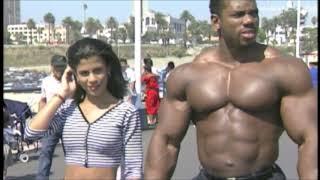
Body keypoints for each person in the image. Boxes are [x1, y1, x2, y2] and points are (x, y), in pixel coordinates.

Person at [144, 0, 317, 180]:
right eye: (239, 14)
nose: (249, 20)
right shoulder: (189, 75)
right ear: (216, 21)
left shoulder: (285, 70)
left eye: (254, 13)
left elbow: (309, 138)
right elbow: (166, 142)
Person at [25, 38, 143, 180]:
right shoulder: (68, 109)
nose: (92, 79)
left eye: (98, 70)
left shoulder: (126, 112)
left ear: (108, 69)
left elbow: (133, 169)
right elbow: (31, 133)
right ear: (75, 75)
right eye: (84, 73)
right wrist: (62, 95)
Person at [36, 54, 67, 180]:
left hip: (69, 122)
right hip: (51, 122)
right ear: (52, 67)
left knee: (73, 155)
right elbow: (42, 100)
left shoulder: (72, 79)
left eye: (62, 67)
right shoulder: (46, 81)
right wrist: (40, 119)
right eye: (58, 68)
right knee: (45, 153)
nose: (60, 71)